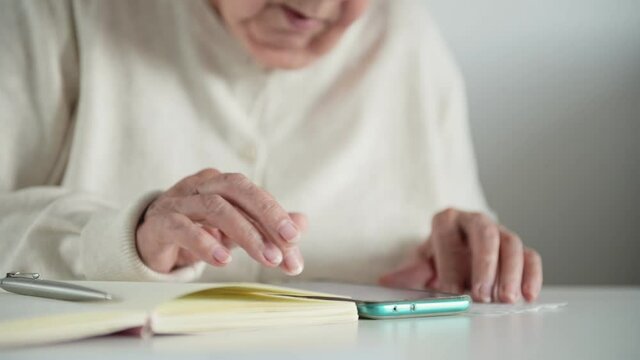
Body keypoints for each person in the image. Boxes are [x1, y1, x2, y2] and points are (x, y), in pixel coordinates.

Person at [0, 0, 542, 304]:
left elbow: (460, 250)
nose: (312, 6)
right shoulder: (63, 14)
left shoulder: (407, 39)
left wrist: (477, 256)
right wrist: (129, 238)